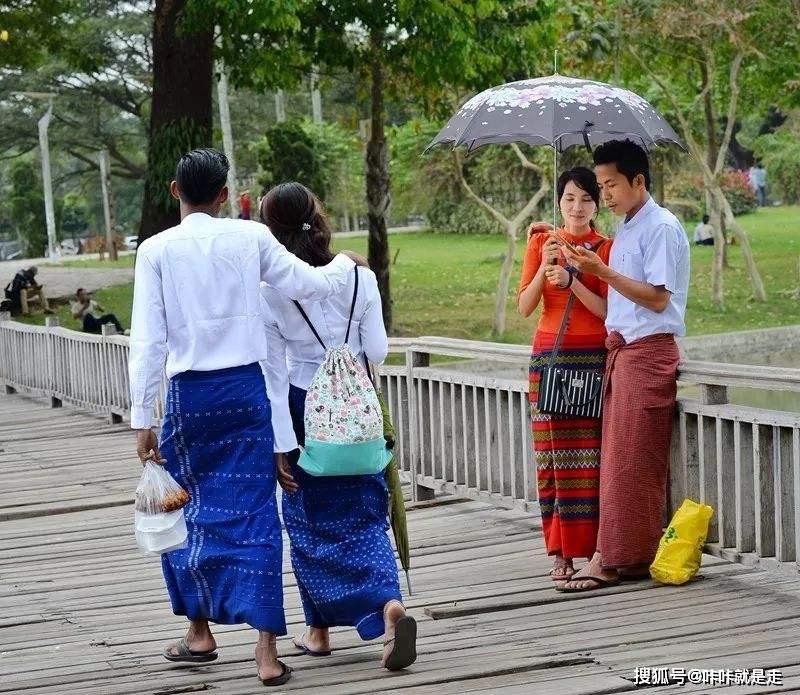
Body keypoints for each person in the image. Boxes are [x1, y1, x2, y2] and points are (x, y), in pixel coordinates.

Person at [128, 148, 359, 687]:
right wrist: (347, 265)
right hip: (247, 393)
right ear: (226, 194)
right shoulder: (251, 238)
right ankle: (266, 653)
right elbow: (309, 284)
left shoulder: (156, 249)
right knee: (255, 512)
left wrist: (144, 416)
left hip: (189, 397)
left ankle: (199, 633)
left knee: (189, 507)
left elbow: (148, 340)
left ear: (173, 190)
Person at [259, 182, 417, 672]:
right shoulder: (358, 276)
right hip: (358, 408)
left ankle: (319, 630)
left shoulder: (272, 291)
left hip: (305, 408)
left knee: (306, 521)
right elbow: (378, 351)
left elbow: (274, 371)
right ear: (319, 217)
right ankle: (387, 607)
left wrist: (281, 444)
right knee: (367, 513)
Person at [556, 139, 690, 592]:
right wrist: (578, 275)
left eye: (611, 185)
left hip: (648, 353)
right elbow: (614, 306)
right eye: (600, 185)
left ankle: (613, 559)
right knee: (617, 461)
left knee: (634, 461)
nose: (604, 194)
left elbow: (657, 298)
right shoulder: (628, 228)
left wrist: (605, 270)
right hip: (622, 352)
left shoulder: (662, 227)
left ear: (639, 181)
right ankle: (617, 556)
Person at [518, 168, 611, 585]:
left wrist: (572, 280)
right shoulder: (541, 241)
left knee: (588, 461)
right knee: (552, 460)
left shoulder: (606, 248)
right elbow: (524, 306)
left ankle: (590, 548)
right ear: (559, 200)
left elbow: (608, 312)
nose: (578, 207)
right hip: (549, 357)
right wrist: (545, 267)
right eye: (570, 198)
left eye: (586, 199)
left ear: (596, 204)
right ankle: (559, 551)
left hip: (590, 357)